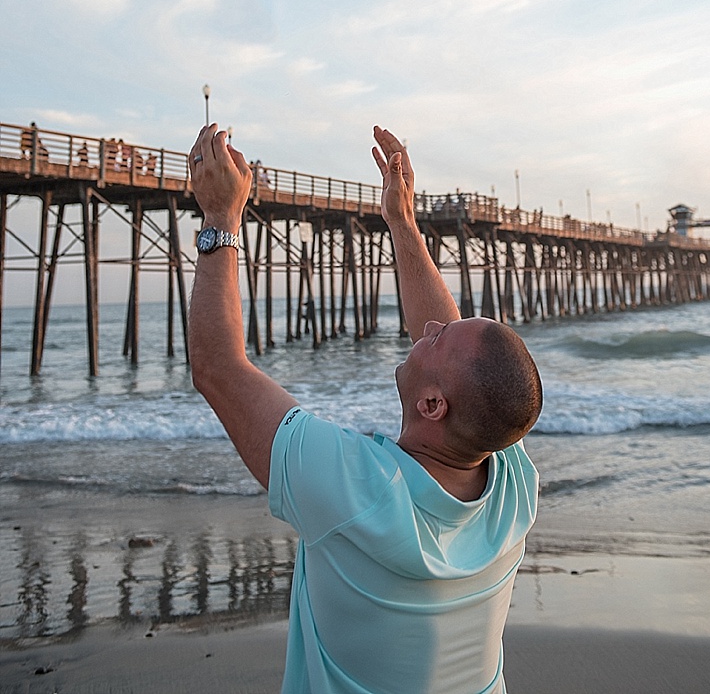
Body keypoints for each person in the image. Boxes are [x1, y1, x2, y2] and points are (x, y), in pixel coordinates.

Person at [185, 122, 541, 694]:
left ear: (431, 404)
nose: (427, 328)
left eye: (437, 341)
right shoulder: (512, 481)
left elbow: (218, 369)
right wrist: (403, 225)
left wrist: (221, 219)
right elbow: (475, 378)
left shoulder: (355, 489)